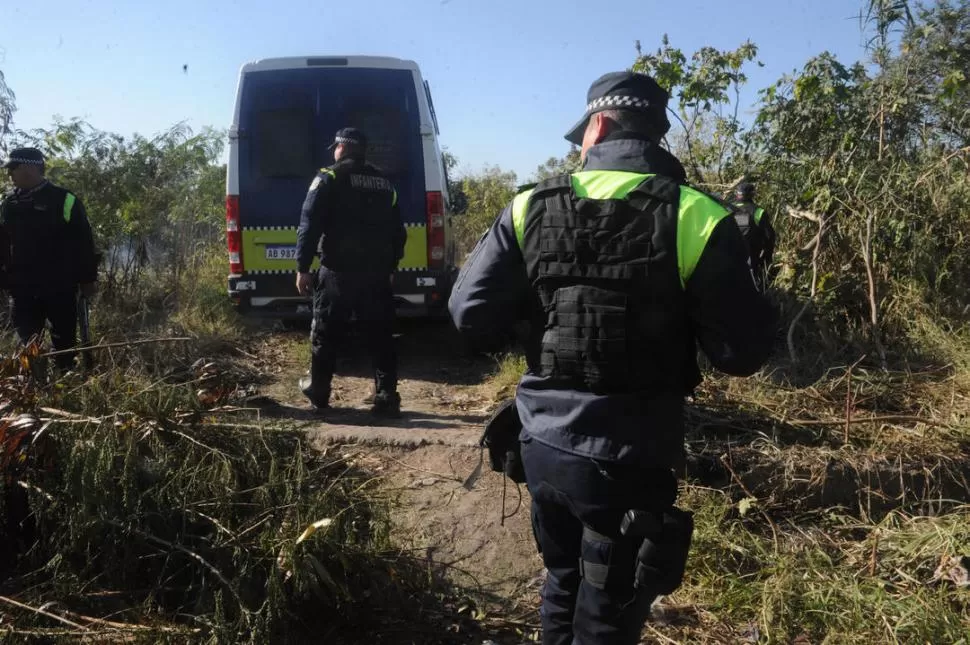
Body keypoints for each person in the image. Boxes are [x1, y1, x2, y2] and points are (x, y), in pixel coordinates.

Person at [448, 72, 776, 645]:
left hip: (543, 447)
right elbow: (740, 354)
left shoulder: (528, 206)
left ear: (597, 125)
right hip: (632, 457)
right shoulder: (698, 216)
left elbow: (469, 314)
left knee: (562, 581)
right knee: (608, 610)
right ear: (657, 133)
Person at [295, 128, 406, 417]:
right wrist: (392, 267)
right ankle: (386, 396)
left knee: (326, 333)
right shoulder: (384, 183)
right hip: (377, 274)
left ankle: (319, 392)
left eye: (336, 147)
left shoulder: (328, 178)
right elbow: (398, 232)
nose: (334, 151)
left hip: (337, 273)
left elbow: (309, 226)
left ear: (342, 148)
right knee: (381, 335)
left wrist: (302, 268)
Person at [0, 147, 99, 372]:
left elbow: (83, 242)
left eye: (13, 168)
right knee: (27, 341)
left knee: (64, 340)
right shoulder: (8, 204)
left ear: (29, 168)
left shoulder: (64, 200)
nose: (10, 175)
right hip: (22, 288)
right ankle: (33, 385)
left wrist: (88, 279)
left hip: (59, 286)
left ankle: (66, 381)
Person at [731, 181, 775, 288]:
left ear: (737, 194)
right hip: (751, 262)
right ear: (752, 194)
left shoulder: (725, 209)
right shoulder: (758, 212)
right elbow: (770, 238)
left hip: (728, 262)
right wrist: (765, 259)